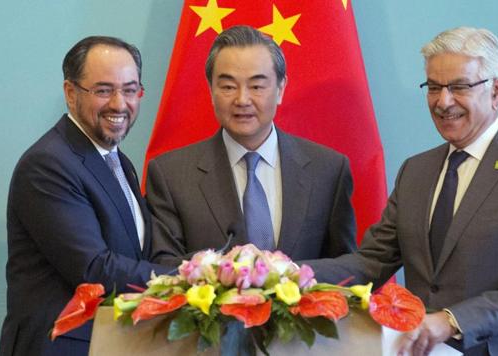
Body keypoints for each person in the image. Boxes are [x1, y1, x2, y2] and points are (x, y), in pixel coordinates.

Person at [307, 27, 498, 355]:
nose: (443, 101)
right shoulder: (416, 171)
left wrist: (451, 320)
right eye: (434, 87)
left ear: (496, 90)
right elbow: (372, 262)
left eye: (459, 86)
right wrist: (292, 274)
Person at [0, 36, 170, 356]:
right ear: (70, 92)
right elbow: (94, 269)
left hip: (116, 343)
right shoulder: (48, 163)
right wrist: (187, 278)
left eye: (130, 90)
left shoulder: (119, 162)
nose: (119, 104)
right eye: (104, 90)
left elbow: (135, 256)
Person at [146, 25, 357, 265]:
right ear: (210, 90)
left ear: (280, 89)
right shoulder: (171, 175)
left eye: (256, 86)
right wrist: (227, 272)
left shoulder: (328, 170)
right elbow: (163, 267)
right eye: (228, 86)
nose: (242, 99)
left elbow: (344, 270)